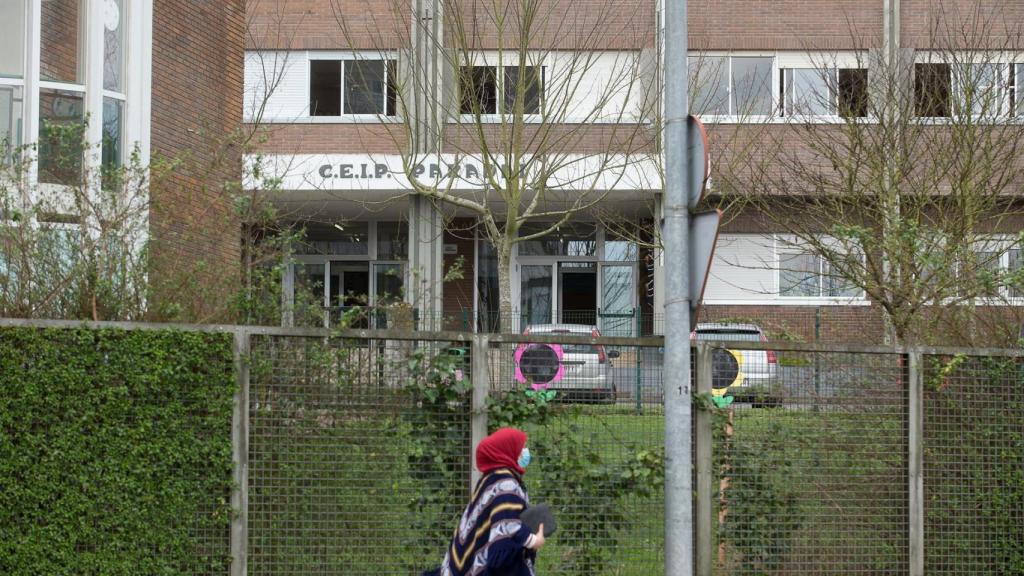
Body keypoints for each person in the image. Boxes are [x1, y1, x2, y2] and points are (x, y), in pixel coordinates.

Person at [423, 427, 545, 576]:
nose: (525, 452)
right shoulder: (506, 483)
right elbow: (507, 529)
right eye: (521, 448)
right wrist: (534, 540)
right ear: (509, 451)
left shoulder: (490, 479)